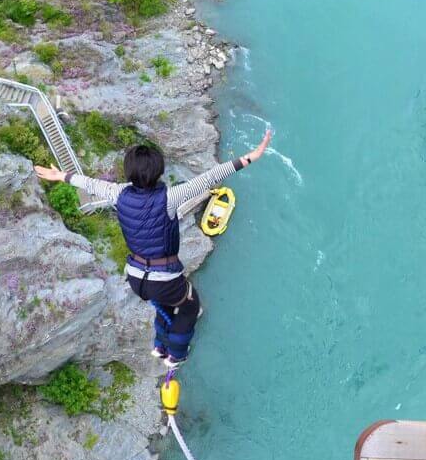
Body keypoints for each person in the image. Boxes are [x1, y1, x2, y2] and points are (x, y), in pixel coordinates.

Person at [35, 130, 272, 369]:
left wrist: (60, 175)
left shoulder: (117, 194)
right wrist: (252, 155)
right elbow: (211, 177)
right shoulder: (169, 198)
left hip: (137, 279)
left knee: (166, 304)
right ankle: (176, 355)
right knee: (189, 306)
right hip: (163, 278)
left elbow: (89, 183)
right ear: (159, 172)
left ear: (129, 172)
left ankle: (160, 346)